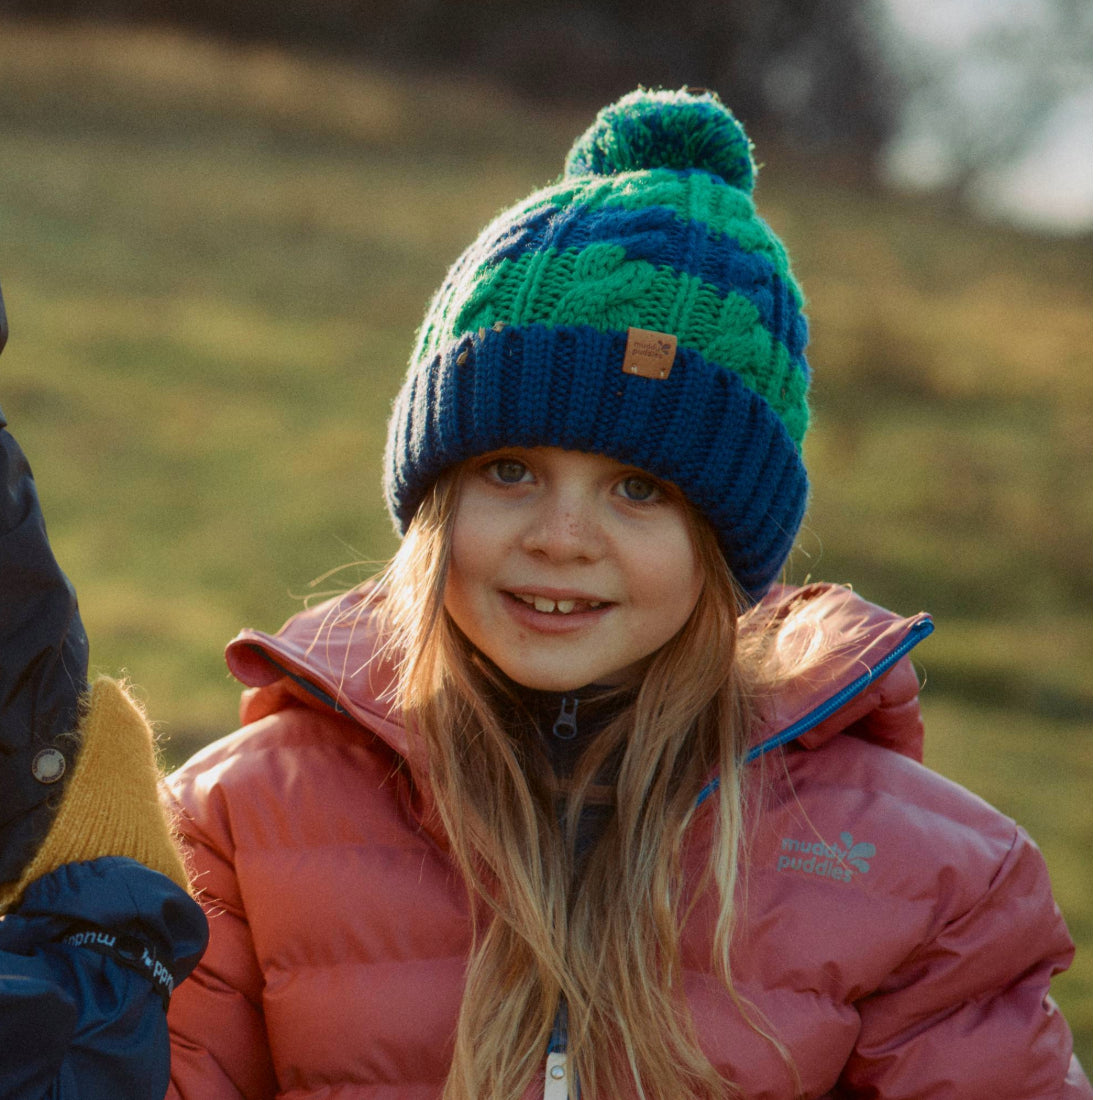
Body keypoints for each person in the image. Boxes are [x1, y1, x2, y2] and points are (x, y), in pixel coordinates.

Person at [0, 88, 1088, 1099]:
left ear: (724, 541)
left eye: (637, 490)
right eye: (508, 471)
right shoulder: (242, 822)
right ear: (434, 502)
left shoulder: (929, 877)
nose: (560, 539)